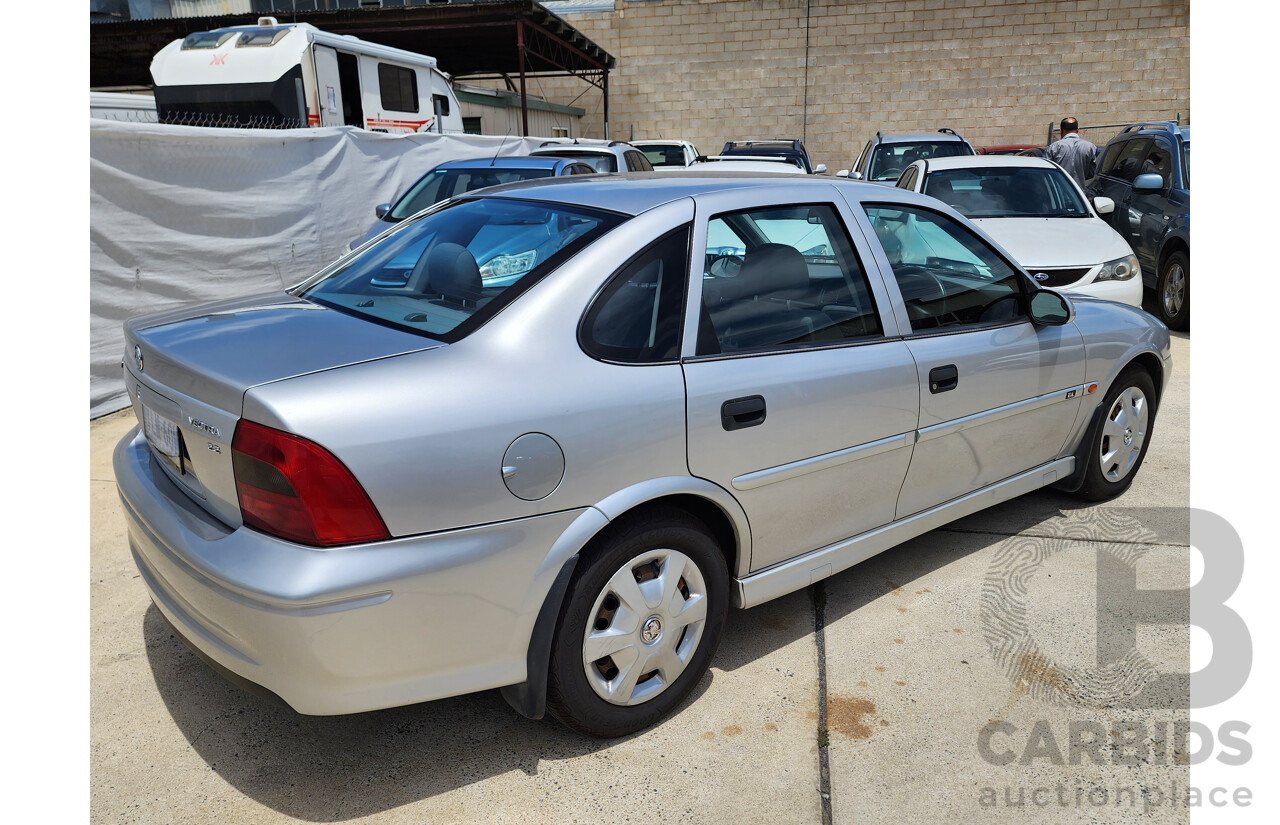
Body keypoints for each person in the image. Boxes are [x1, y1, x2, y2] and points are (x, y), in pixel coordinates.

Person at [1046, 117, 1098, 186]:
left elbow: (1047, 172)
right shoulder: (1090, 147)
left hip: (1058, 193)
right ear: (1077, 130)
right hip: (1078, 193)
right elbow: (1091, 173)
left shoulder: (1054, 147)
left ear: (1061, 130)